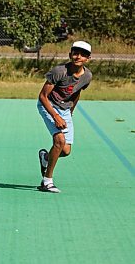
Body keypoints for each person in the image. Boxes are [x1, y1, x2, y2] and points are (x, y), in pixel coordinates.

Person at [36, 40, 93, 193]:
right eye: (75, 53)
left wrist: (69, 114)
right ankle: (47, 181)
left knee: (66, 151)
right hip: (48, 106)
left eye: (82, 55)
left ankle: (45, 158)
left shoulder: (87, 76)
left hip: (65, 110)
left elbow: (76, 93)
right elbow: (42, 96)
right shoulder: (59, 71)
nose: (78, 56)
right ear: (70, 54)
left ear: (87, 59)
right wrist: (56, 116)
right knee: (59, 140)